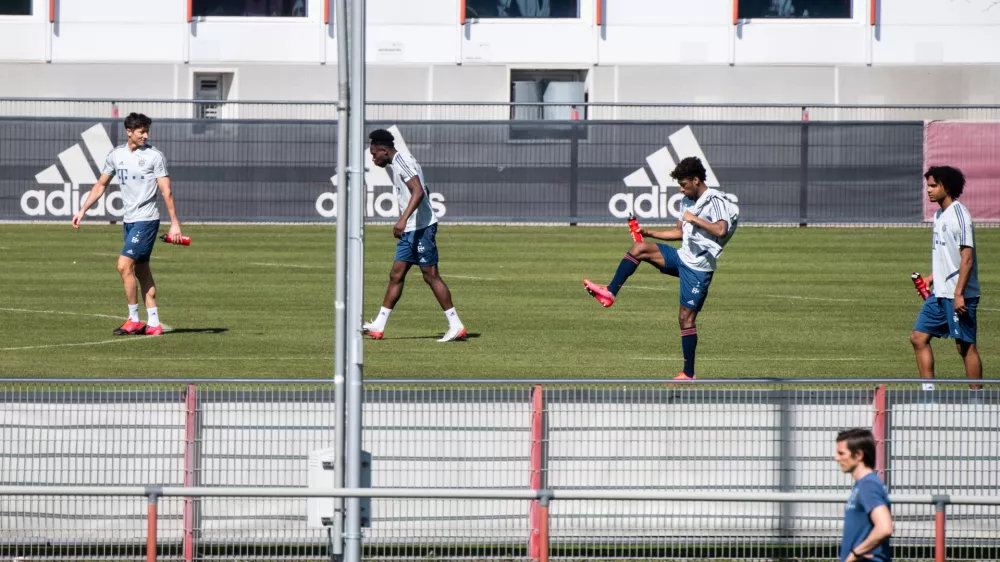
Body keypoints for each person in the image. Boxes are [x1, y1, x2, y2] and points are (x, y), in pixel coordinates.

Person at [583, 156, 738, 381]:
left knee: (685, 318)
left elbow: (721, 229)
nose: (681, 190)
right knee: (640, 248)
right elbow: (680, 233)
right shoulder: (687, 202)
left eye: (684, 185)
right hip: (682, 256)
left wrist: (694, 219)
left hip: (698, 269)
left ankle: (689, 373)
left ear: (696, 180)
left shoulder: (714, 199)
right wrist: (649, 233)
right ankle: (610, 292)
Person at [72, 112, 183, 336]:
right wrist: (83, 209)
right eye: (142, 131)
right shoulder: (116, 155)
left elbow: (166, 191)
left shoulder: (154, 156)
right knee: (142, 270)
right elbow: (101, 184)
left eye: (147, 131)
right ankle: (154, 323)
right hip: (129, 221)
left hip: (147, 219)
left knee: (123, 266)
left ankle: (133, 319)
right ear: (129, 131)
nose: (146, 135)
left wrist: (175, 223)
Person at [362, 129, 467, 342]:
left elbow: (418, 191)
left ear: (384, 150)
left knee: (431, 275)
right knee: (396, 275)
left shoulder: (402, 161)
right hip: (411, 228)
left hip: (421, 228)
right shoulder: (400, 161)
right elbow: (424, 189)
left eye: (374, 154)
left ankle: (455, 324)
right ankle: (379, 325)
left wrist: (403, 220)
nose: (373, 159)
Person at [910, 166, 983, 400]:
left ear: (947, 187)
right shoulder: (939, 214)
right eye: (928, 185)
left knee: (965, 347)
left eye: (933, 185)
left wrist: (959, 293)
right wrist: (933, 277)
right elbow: (947, 255)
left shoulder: (960, 215)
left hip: (959, 295)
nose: (928, 190)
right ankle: (928, 397)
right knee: (918, 338)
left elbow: (967, 258)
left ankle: (977, 401)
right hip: (940, 294)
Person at [835, 428, 893, 562]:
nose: (836, 458)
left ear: (858, 455)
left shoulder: (869, 485)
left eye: (841, 453)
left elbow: (884, 527)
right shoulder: (862, 485)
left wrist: (855, 553)